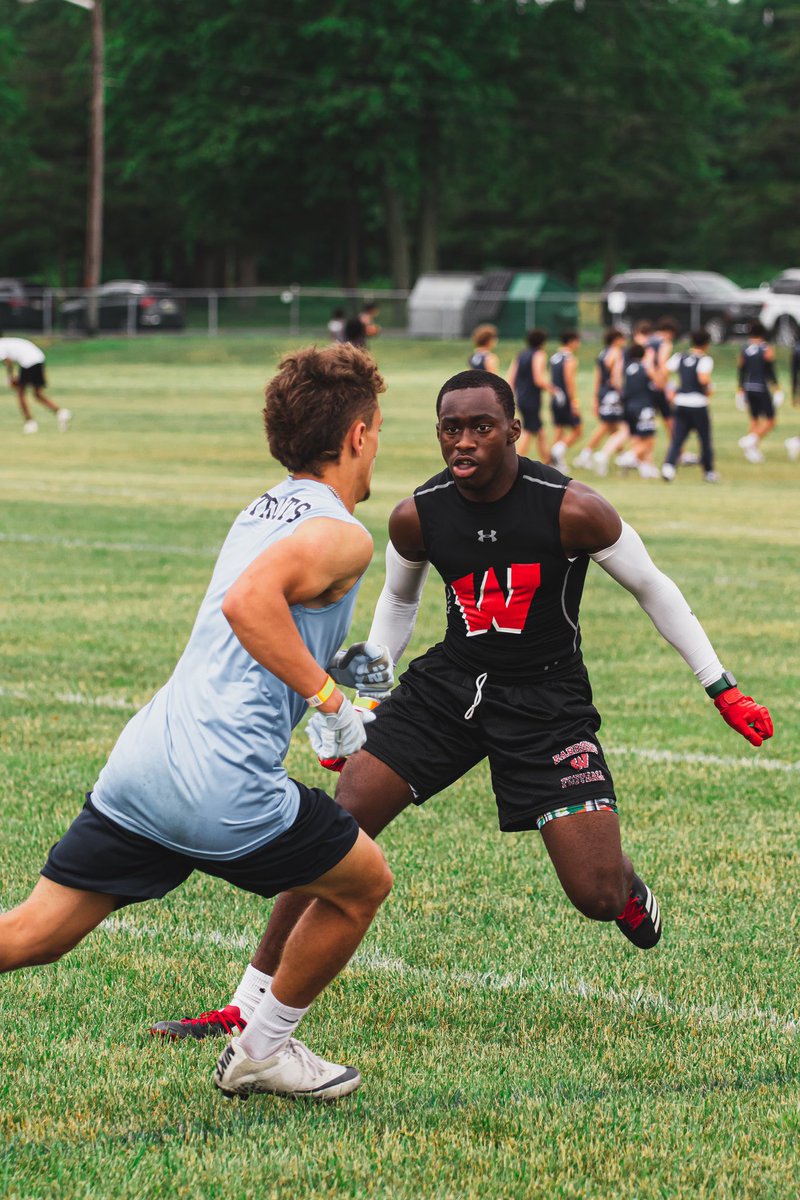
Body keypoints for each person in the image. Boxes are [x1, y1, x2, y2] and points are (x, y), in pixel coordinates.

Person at [151, 369, 772, 1042]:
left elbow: (654, 587)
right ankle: (247, 1006)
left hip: (546, 700)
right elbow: (398, 602)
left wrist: (720, 685)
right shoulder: (419, 513)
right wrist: (371, 701)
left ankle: (624, 888)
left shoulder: (573, 508)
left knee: (593, 893)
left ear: (513, 431)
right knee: (335, 829)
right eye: (451, 428)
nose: (464, 441)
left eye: (481, 427)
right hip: (451, 687)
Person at [0, 343, 396, 1103]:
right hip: (223, 788)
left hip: (144, 765)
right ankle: (263, 1051)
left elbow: (269, 614)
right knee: (362, 885)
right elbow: (251, 607)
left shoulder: (263, 506)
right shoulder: (345, 533)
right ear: (356, 435)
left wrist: (332, 673)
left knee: (33, 935)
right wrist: (332, 704)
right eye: (378, 428)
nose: (379, 444)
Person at [661, 329, 717, 483]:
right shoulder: (705, 360)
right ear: (706, 344)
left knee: (678, 437)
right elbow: (703, 379)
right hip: (698, 403)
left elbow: (665, 372)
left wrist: (671, 389)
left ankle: (669, 467)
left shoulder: (680, 356)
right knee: (704, 438)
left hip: (680, 402)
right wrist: (710, 388)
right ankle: (709, 472)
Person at [573, 327, 625, 471]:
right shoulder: (616, 352)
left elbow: (598, 376)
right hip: (612, 393)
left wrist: (596, 396)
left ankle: (622, 456)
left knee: (613, 425)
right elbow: (615, 375)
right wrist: (621, 391)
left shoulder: (603, 353)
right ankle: (586, 454)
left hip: (603, 391)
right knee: (607, 424)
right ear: (617, 339)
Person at [0, 333, 71, 434]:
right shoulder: (7, 342)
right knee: (37, 394)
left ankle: (30, 422)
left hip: (28, 362)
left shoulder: (1, 345)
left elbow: (8, 361)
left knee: (20, 393)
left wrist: (10, 377)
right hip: (39, 358)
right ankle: (61, 412)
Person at [736, 320, 779, 463]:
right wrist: (776, 387)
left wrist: (740, 389)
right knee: (771, 420)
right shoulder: (766, 349)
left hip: (748, 387)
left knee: (754, 419)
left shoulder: (744, 349)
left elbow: (741, 370)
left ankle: (752, 450)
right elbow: (770, 371)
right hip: (761, 387)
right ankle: (750, 440)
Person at [506, 328, 551, 461]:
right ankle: (514, 461)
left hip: (521, 398)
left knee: (539, 431)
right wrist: (554, 390)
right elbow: (538, 379)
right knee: (529, 430)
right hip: (532, 398)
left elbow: (511, 377)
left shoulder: (521, 355)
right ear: (543, 342)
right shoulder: (539, 355)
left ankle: (549, 462)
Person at [549, 330, 583, 469]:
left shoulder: (554, 357)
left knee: (559, 429)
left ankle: (555, 462)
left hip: (556, 398)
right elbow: (569, 381)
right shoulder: (570, 359)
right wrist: (574, 402)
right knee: (578, 430)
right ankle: (558, 452)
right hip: (566, 399)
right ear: (572, 341)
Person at [786, 339, 800, 461]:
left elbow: (794, 374)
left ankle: (795, 443)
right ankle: (795, 442)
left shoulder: (796, 349)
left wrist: (794, 394)